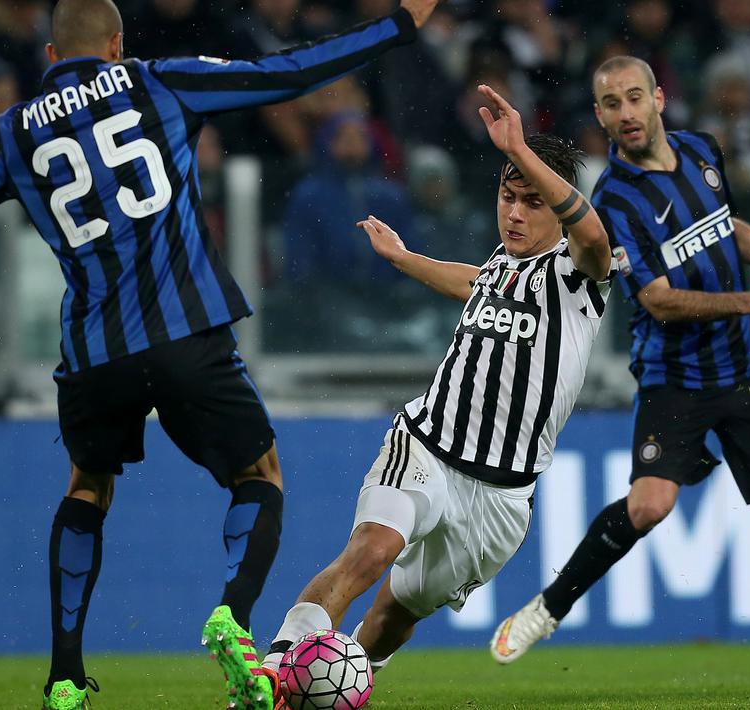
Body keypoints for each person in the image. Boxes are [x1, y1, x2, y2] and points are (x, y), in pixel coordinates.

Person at [0, 1, 445, 708]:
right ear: (117, 44)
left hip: (96, 352)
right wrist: (398, 24)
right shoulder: (160, 82)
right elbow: (290, 70)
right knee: (259, 475)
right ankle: (233, 617)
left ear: (51, 55)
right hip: (187, 331)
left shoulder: (13, 132)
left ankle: (64, 677)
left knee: (87, 488)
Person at [490, 55, 750, 693]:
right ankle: (547, 609)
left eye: (634, 98)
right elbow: (658, 299)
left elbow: (729, 230)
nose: (626, 114)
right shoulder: (612, 201)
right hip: (674, 377)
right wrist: (749, 300)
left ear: (659, 98)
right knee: (650, 505)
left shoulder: (701, 151)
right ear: (601, 116)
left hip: (746, 370)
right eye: (611, 105)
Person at [261, 83, 612, 703]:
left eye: (532, 202)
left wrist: (520, 150)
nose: (514, 213)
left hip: (501, 501)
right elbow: (474, 282)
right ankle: (277, 667)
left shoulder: (581, 276)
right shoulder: (503, 265)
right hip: (429, 445)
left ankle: (320, 690)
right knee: (372, 550)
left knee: (394, 615)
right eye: (508, 196)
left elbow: (592, 234)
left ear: (559, 209)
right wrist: (402, 258)